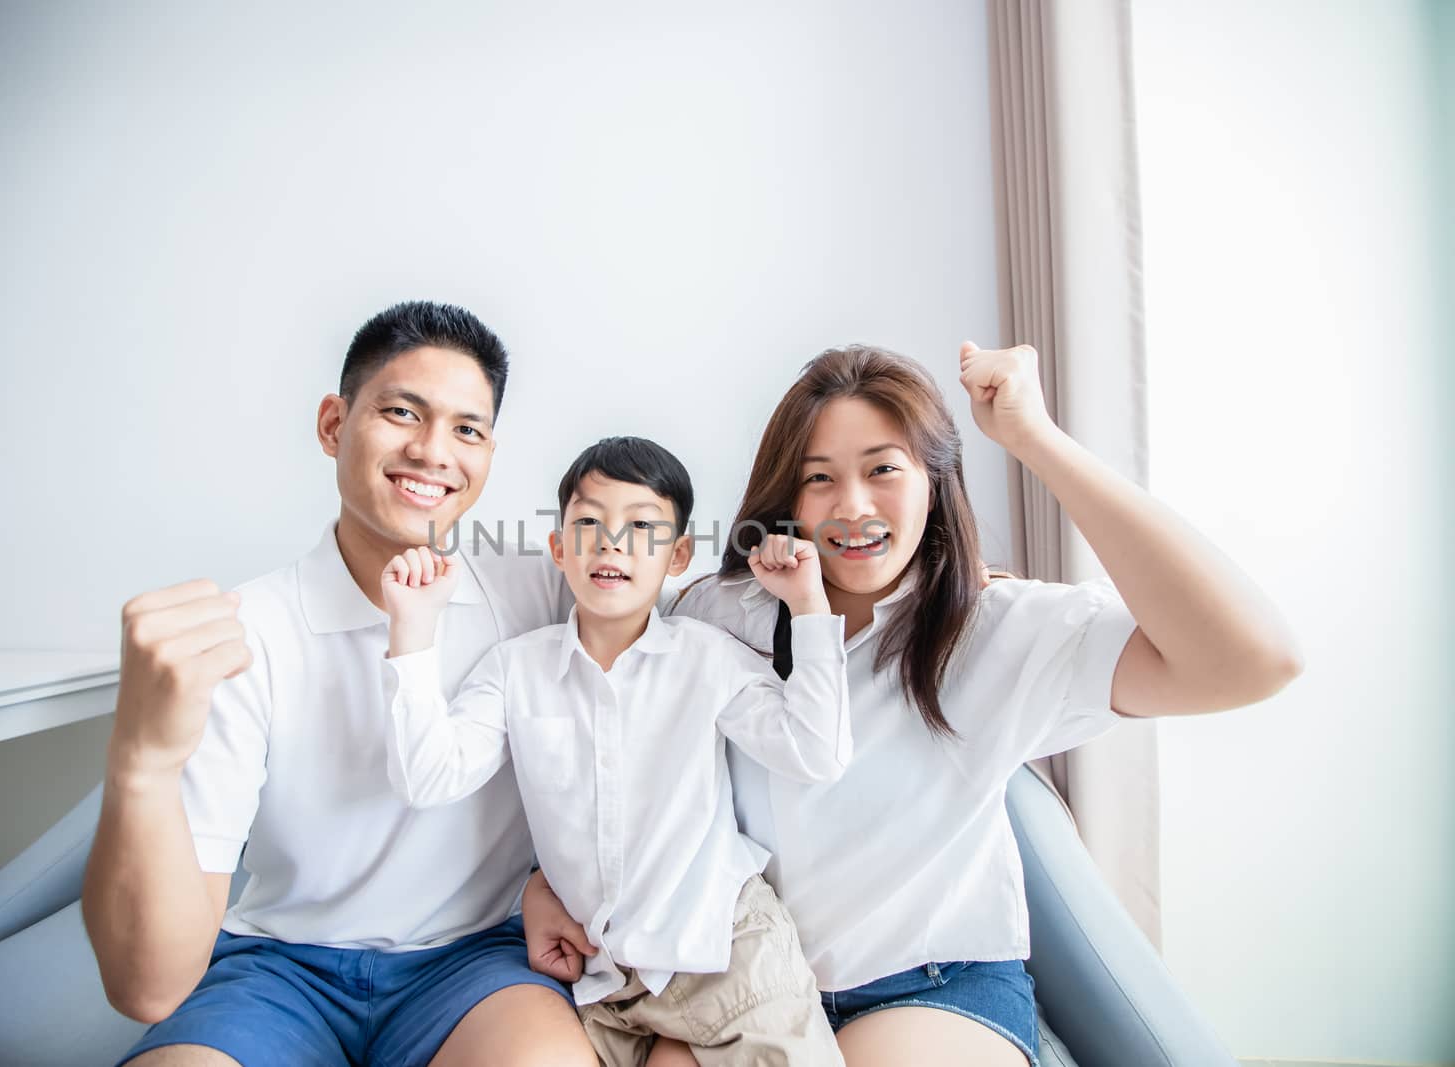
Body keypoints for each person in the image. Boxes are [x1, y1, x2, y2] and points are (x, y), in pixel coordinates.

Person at [522, 341, 1302, 1067]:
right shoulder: (718, 616)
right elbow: (613, 770)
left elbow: (1253, 659)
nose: (852, 504)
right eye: (820, 476)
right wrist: (542, 883)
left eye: (883, 469)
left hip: (928, 986)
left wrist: (1037, 441)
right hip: (737, 982)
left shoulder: (998, 628)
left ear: (935, 479)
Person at [82, 301, 597, 1067]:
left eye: (467, 429)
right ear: (333, 424)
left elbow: (674, 660)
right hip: (281, 969)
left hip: (474, 963)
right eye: (401, 412)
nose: (432, 452)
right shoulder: (248, 630)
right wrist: (139, 759)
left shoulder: (541, 590)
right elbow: (147, 988)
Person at [375, 436, 850, 1066]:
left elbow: (816, 754)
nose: (611, 544)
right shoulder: (516, 669)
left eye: (642, 528)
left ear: (678, 554)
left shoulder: (704, 657)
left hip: (728, 951)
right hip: (608, 976)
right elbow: (427, 779)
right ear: (558, 547)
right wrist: (411, 629)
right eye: (589, 523)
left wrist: (808, 604)